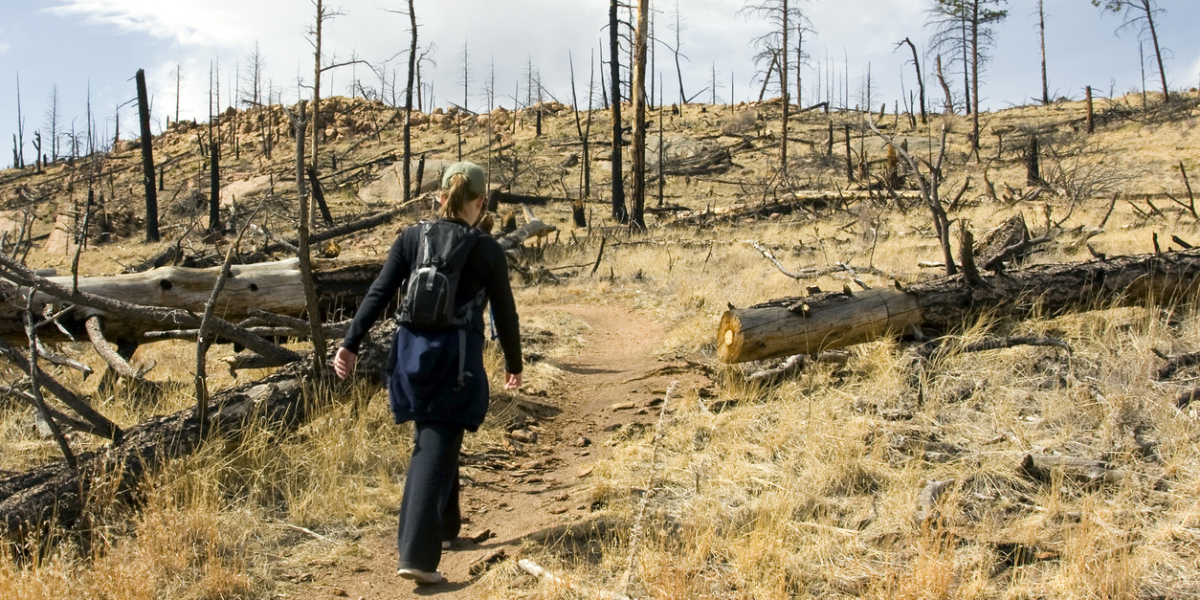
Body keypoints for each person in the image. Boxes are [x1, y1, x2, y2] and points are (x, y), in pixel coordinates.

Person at [332, 161, 522, 585]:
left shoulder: (411, 237)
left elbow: (379, 292)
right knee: (436, 441)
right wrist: (514, 363)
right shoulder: (486, 249)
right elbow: (505, 313)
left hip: (409, 357)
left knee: (436, 433)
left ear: (439, 197)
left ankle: (448, 530)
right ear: (481, 202)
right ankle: (417, 554)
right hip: (456, 362)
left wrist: (350, 342)